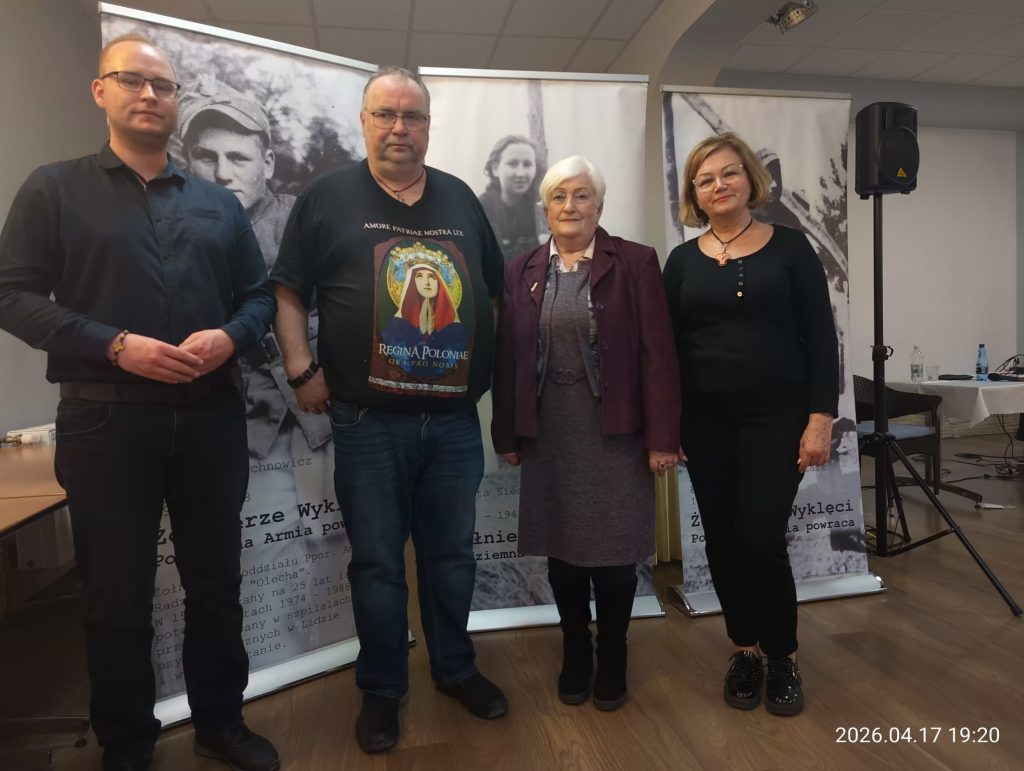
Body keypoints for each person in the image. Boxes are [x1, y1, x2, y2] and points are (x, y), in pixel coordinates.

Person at [0, 35, 280, 771]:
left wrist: (229, 337)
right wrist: (115, 344)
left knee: (216, 584)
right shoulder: (53, 189)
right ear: (102, 91)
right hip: (105, 419)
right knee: (115, 596)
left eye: (163, 84)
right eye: (132, 80)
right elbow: (12, 294)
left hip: (211, 414)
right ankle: (126, 743)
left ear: (176, 100)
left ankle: (221, 722)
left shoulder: (218, 204)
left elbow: (258, 298)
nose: (150, 94)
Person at [270, 65, 507, 754]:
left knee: (452, 556)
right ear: (364, 121)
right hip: (368, 423)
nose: (400, 128)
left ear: (428, 125)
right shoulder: (326, 197)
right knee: (376, 562)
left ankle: (455, 667)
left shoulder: (460, 197)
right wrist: (300, 368)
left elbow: (492, 293)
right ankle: (382, 688)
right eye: (386, 114)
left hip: (455, 423)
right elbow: (288, 291)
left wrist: (484, 369)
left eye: (413, 116)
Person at [491, 156, 680, 711]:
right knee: (563, 553)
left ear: (599, 205)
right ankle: (575, 648)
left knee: (616, 556)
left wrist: (663, 437)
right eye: (559, 196)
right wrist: (508, 434)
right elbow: (508, 359)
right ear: (545, 207)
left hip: (616, 433)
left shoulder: (636, 262)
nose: (569, 206)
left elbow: (659, 356)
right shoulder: (521, 268)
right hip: (549, 434)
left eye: (581, 195)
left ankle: (613, 653)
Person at [662, 133, 839, 717]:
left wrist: (820, 418)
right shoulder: (681, 262)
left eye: (729, 173)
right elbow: (667, 351)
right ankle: (745, 650)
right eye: (705, 179)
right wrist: (667, 423)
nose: (719, 185)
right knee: (721, 537)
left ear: (749, 180)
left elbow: (822, 338)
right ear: (695, 193)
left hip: (776, 416)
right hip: (705, 420)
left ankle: (782, 655)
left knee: (759, 537)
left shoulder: (791, 247)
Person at [178, 76, 332, 532]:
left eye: (238, 157)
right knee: (250, 540)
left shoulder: (303, 218)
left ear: (266, 163)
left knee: (328, 539)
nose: (222, 173)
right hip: (231, 420)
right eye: (207, 157)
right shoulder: (174, 229)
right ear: (188, 161)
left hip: (315, 414)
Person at [478, 135, 545, 262]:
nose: (521, 173)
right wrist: (538, 242)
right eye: (513, 164)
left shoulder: (539, 205)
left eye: (527, 164)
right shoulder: (484, 206)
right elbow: (495, 261)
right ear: (495, 168)